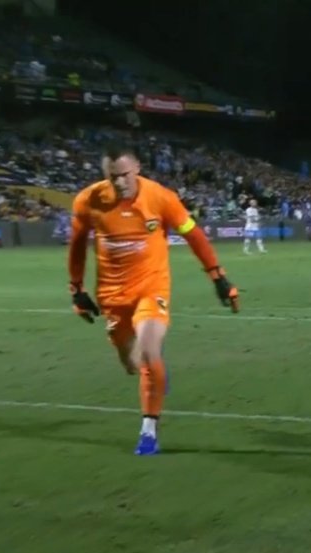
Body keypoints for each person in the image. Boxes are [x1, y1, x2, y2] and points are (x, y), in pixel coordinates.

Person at [67, 146, 240, 456]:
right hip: (112, 294)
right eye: (112, 177)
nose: (119, 182)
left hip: (152, 287)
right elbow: (77, 245)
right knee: (131, 363)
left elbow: (194, 234)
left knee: (148, 352)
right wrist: (77, 290)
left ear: (137, 168)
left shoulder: (160, 197)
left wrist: (218, 276)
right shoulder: (87, 200)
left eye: (124, 175)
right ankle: (155, 373)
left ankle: (149, 431)